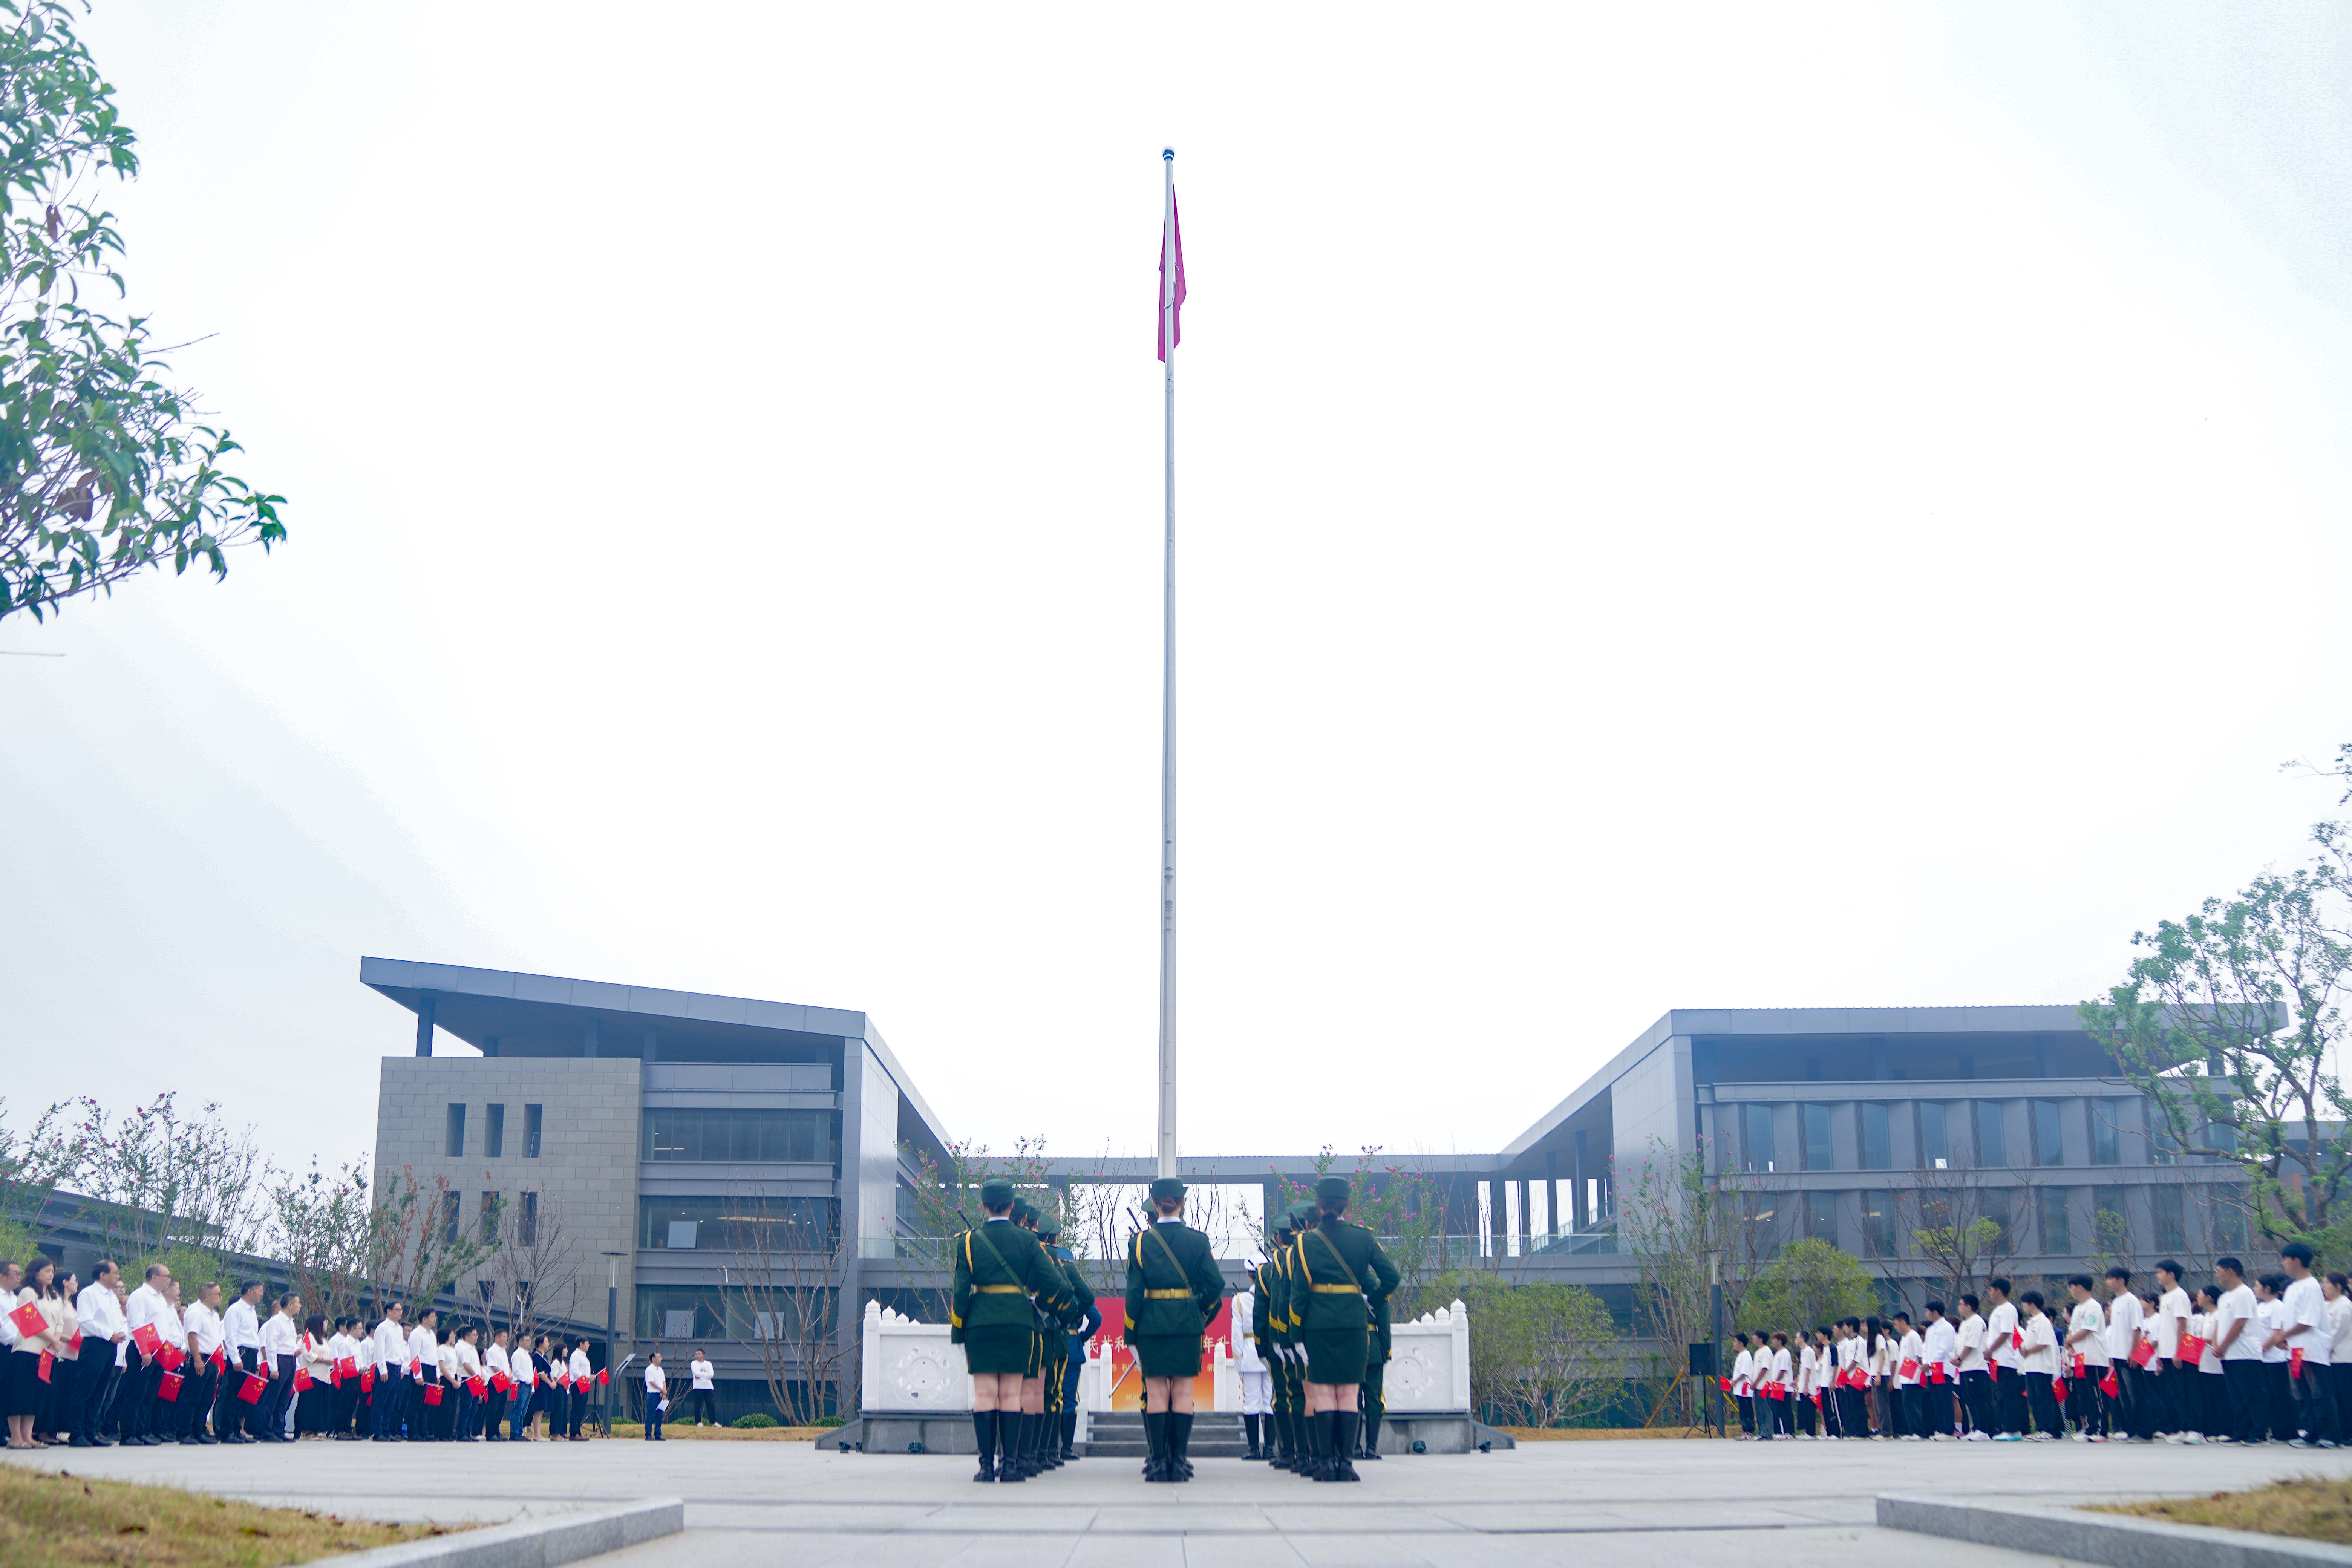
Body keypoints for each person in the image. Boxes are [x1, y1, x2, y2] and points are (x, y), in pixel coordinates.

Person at [952, 1176, 1077, 1483]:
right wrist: (1039, 1306)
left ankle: (986, 1467)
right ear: (1011, 1206)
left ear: (984, 1206)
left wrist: (959, 1331)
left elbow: (960, 1293)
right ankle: (1010, 1467)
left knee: (985, 1395)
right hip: (1019, 1322)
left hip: (980, 1323)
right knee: (1011, 1394)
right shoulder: (1028, 1240)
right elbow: (1055, 1283)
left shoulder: (968, 1241)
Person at [1289, 1175, 1399, 1483]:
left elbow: (1298, 1295)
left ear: (1319, 1205)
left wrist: (1296, 1337)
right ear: (1347, 1205)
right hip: (1354, 1323)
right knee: (1350, 1395)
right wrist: (1372, 1301)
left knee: (1324, 1394)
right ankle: (1347, 1465)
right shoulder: (1365, 1238)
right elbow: (1391, 1278)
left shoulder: (1304, 1242)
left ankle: (1326, 1465)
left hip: (1317, 1326)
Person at [1122, 1176, 1225, 1483]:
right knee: (1182, 1393)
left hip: (1151, 1325)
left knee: (1156, 1393)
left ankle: (1158, 1464)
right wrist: (1196, 1309)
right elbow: (1216, 1285)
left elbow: (1134, 1294)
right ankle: (1178, 1464)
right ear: (1183, 1203)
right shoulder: (1198, 1240)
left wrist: (1130, 1335)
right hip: (1187, 1325)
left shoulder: (1139, 1243)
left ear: (1155, 1204)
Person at [2275, 1242, 2336, 1448]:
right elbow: (2288, 1318)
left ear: (2297, 1261)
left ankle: (2330, 1436)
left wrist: (2283, 1335)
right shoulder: (2292, 1287)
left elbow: (2308, 1321)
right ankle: (2312, 1433)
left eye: (2286, 1259)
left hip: (2311, 1348)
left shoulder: (2311, 1286)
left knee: (2319, 1393)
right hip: (2295, 1349)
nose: (2283, 1263)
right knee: (2302, 1393)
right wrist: (2283, 1337)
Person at [68, 1262, 126, 1450]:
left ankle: (90, 1432)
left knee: (100, 1392)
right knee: (85, 1390)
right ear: (102, 1275)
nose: (118, 1276)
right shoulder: (89, 1294)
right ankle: (76, 1434)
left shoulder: (112, 1296)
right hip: (95, 1345)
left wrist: (119, 1334)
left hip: (111, 1346)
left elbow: (116, 1320)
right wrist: (110, 1334)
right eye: (115, 1272)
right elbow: (85, 1321)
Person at [2213, 1257, 2263, 1444]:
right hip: (2228, 1354)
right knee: (2236, 1396)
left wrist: (2224, 1346)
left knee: (2252, 1394)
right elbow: (2220, 1323)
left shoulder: (2245, 1293)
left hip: (2245, 1352)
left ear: (2231, 1271)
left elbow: (2240, 1323)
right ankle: (2241, 1432)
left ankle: (2258, 1433)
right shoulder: (2224, 1297)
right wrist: (2217, 1345)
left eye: (2219, 1271)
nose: (2217, 1275)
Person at [2152, 1261, 2194, 1444]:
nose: (2157, 1275)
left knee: (2185, 1392)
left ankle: (2194, 1430)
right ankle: (2182, 1429)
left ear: (2171, 1275)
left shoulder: (2179, 1296)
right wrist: (2161, 1355)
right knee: (2175, 1394)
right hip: (2167, 1354)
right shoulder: (2166, 1297)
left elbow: (2182, 1324)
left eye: (2160, 1272)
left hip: (2179, 1353)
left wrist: (2179, 1351)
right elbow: (2165, 1328)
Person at [2063, 1276, 2109, 1442]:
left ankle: (2101, 1430)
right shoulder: (2077, 1309)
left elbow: (2087, 1330)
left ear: (2080, 1287)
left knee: (2096, 1395)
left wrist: (2069, 1340)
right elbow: (2072, 1330)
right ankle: (2090, 1428)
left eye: (2071, 1287)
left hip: (2094, 1358)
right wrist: (2069, 1345)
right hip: (2079, 1359)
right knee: (2085, 1396)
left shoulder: (2094, 1306)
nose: (2070, 1291)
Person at [180, 1283, 225, 1446]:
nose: (221, 1297)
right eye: (218, 1294)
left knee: (206, 1398)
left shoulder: (214, 1315)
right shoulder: (196, 1312)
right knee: (193, 1398)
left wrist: (217, 1363)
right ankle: (186, 1433)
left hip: (212, 1360)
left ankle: (198, 1430)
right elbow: (192, 1337)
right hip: (200, 1358)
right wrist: (197, 1359)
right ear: (207, 1297)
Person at [255, 1292, 301, 1442]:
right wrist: (273, 1367)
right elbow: (271, 1345)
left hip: (290, 1360)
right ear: (290, 1305)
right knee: (272, 1398)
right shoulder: (276, 1322)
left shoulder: (290, 1322)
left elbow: (286, 1342)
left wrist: (295, 1350)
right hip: (279, 1361)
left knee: (284, 1398)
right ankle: (265, 1432)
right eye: (298, 1303)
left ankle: (278, 1430)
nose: (300, 1306)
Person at [2018, 1291, 2062, 1441]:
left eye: (2024, 1304)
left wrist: (2027, 1351)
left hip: (2042, 1367)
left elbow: (2044, 1344)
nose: (2023, 1306)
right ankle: (2041, 1429)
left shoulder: (2043, 1322)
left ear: (2032, 1304)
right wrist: (2023, 1349)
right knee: (2034, 1400)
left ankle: (2049, 1430)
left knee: (2044, 1400)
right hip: (2031, 1367)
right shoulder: (2031, 1322)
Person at [1921, 1302, 1958, 1439]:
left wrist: (1930, 1363)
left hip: (1943, 1368)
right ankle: (1942, 1429)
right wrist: (1926, 1363)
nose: (1926, 1314)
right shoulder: (1931, 1329)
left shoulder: (1947, 1327)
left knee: (1945, 1399)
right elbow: (1925, 1349)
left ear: (1935, 1312)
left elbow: (1945, 1349)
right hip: (1931, 1370)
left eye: (1927, 1311)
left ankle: (1949, 1431)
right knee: (1936, 1400)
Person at [2328, 1274, 2352, 1447]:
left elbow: (2339, 1330)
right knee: (2337, 1397)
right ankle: (2342, 1431)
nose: (2324, 1286)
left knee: (2346, 1397)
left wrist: (2326, 1346)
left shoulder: (2344, 1305)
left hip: (2343, 1357)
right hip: (2331, 1358)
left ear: (2338, 1286)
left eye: (2327, 1283)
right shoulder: (2329, 1304)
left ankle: (2348, 1433)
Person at [506, 1329, 534, 1441]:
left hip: (527, 1385)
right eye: (527, 1340)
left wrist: (532, 1386)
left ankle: (519, 1432)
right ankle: (514, 1433)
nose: (530, 1342)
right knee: (518, 1410)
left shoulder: (527, 1355)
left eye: (530, 1340)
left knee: (523, 1412)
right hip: (520, 1384)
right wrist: (528, 1380)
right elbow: (517, 1371)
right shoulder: (518, 1354)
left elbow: (530, 1371)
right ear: (520, 1342)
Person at [566, 1338, 592, 1440]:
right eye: (587, 1343)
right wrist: (586, 1377)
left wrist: (589, 1377)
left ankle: (578, 1432)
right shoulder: (576, 1356)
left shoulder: (583, 1356)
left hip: (584, 1383)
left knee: (582, 1410)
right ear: (581, 1344)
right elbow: (574, 1371)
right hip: (578, 1384)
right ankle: (573, 1433)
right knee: (577, 1409)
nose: (589, 1345)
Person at [686, 1348, 717, 1429]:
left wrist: (701, 1377)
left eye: (699, 1354)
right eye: (696, 1354)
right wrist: (705, 1376)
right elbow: (696, 1374)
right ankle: (699, 1422)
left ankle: (714, 1422)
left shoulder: (708, 1364)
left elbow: (711, 1375)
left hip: (708, 1387)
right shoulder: (694, 1364)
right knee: (698, 1405)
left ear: (703, 1355)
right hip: (698, 1388)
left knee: (711, 1405)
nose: (697, 1356)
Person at [643, 1352, 666, 1439]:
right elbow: (652, 1383)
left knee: (659, 1415)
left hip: (661, 1395)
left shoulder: (661, 1370)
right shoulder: (649, 1370)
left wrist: (664, 1392)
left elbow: (664, 1382)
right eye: (659, 1357)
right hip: (653, 1395)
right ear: (653, 1359)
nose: (661, 1358)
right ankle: (648, 1435)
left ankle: (658, 1435)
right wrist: (662, 1390)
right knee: (651, 1415)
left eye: (661, 1357)